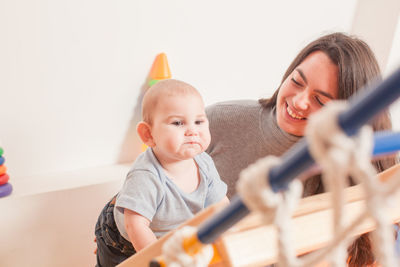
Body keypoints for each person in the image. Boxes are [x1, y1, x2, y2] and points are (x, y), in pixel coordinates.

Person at [205, 32, 398, 266]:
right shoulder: (218, 121)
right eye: (297, 81)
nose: (299, 101)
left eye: (321, 101)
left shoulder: (355, 169)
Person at [95, 79, 229, 267]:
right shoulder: (147, 176)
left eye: (199, 121)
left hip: (162, 226)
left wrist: (229, 234)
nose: (192, 131)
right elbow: (135, 226)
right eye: (178, 123)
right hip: (125, 236)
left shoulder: (204, 163)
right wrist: (161, 261)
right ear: (148, 135)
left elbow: (220, 205)